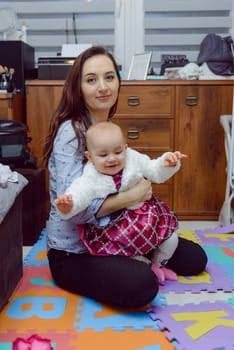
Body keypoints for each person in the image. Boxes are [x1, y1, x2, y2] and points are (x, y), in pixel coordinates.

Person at [43, 45, 208, 308]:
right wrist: (131, 196)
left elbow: (144, 168)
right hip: (75, 252)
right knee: (142, 285)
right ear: (78, 87)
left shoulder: (107, 128)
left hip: (118, 237)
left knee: (196, 259)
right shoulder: (71, 133)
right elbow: (74, 211)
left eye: (109, 77)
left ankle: (135, 257)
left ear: (118, 81)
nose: (103, 87)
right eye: (91, 80)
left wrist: (164, 165)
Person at [55, 121, 187, 284]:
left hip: (148, 219)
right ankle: (147, 267)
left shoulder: (133, 159)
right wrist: (69, 203)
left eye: (118, 152)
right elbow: (80, 193)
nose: (112, 159)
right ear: (90, 157)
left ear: (125, 148)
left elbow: (154, 170)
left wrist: (167, 163)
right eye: (103, 155)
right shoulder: (91, 177)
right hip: (119, 229)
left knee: (171, 239)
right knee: (129, 258)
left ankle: (158, 264)